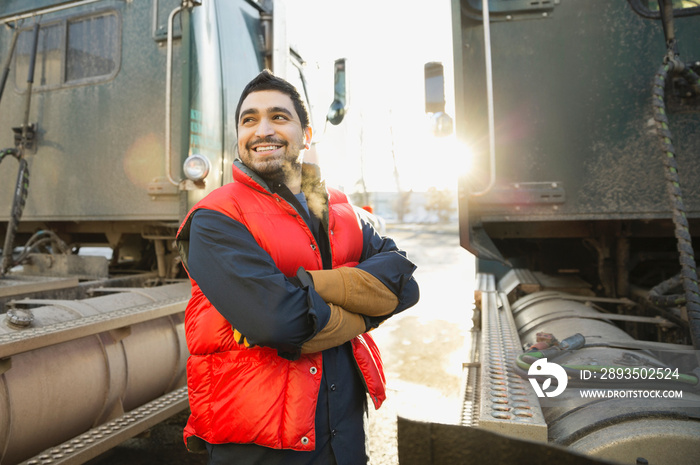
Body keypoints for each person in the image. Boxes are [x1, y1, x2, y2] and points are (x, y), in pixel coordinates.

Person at [175, 70, 419, 465]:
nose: (262, 129)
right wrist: (367, 307)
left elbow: (405, 287)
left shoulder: (341, 210)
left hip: (343, 436)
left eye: (278, 117)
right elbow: (280, 324)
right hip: (261, 444)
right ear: (238, 137)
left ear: (306, 135)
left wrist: (307, 287)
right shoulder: (216, 216)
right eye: (249, 120)